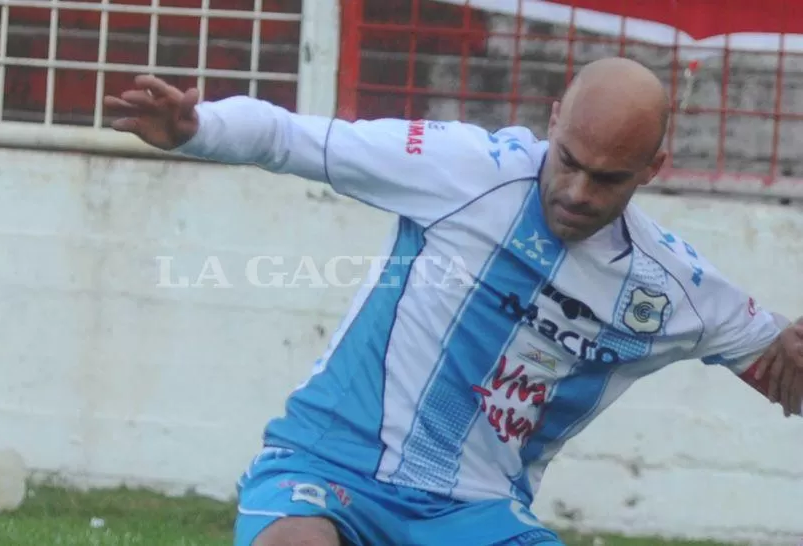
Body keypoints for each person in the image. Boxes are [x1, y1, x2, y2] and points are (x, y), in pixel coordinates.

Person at [104, 57, 803, 546]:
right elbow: (296, 138)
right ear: (553, 122)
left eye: (608, 178)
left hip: (476, 515)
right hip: (330, 465)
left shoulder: (671, 289)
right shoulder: (467, 169)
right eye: (568, 161)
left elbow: (780, 362)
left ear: (652, 169)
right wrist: (198, 130)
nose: (577, 192)